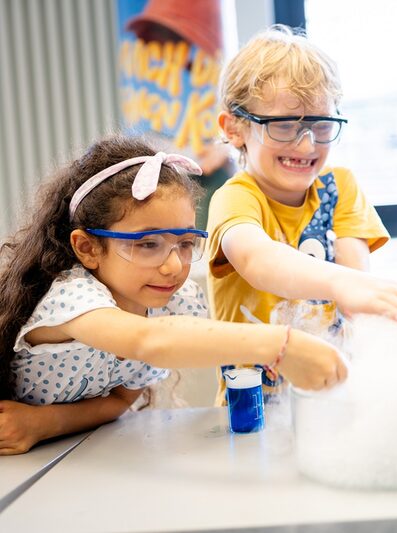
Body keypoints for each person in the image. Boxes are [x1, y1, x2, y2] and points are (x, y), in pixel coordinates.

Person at [0, 136, 347, 455]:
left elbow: (118, 402)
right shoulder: (71, 295)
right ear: (88, 248)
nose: (173, 267)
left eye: (184, 244)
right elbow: (147, 340)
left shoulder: (169, 304)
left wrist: (43, 424)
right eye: (148, 244)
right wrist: (284, 344)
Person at [209, 25, 397, 403]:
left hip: (335, 396)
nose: (306, 143)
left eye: (321, 125)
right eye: (284, 125)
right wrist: (344, 285)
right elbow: (256, 260)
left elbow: (356, 286)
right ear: (234, 128)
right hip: (255, 405)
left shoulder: (339, 187)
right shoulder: (236, 197)